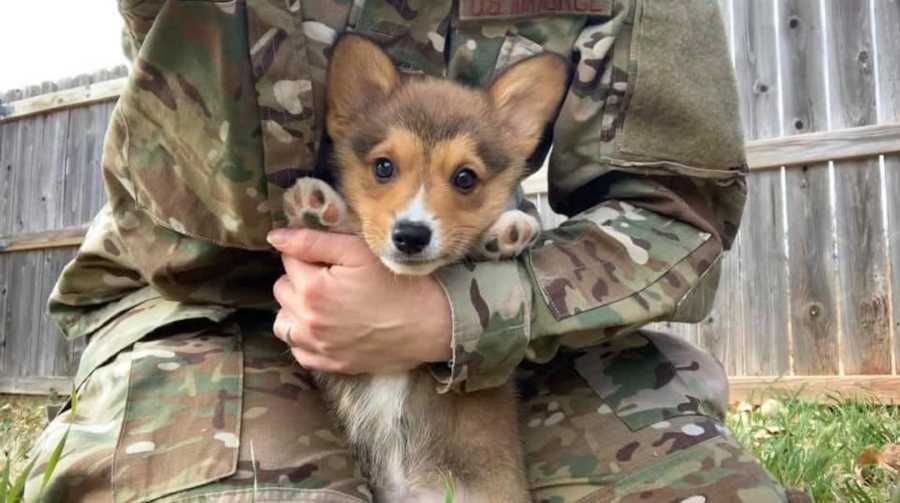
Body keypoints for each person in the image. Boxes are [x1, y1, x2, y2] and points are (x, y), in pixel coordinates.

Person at [24, 1, 795, 501]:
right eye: (386, 171)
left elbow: (671, 212)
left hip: (511, 333)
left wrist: (454, 313)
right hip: (209, 312)